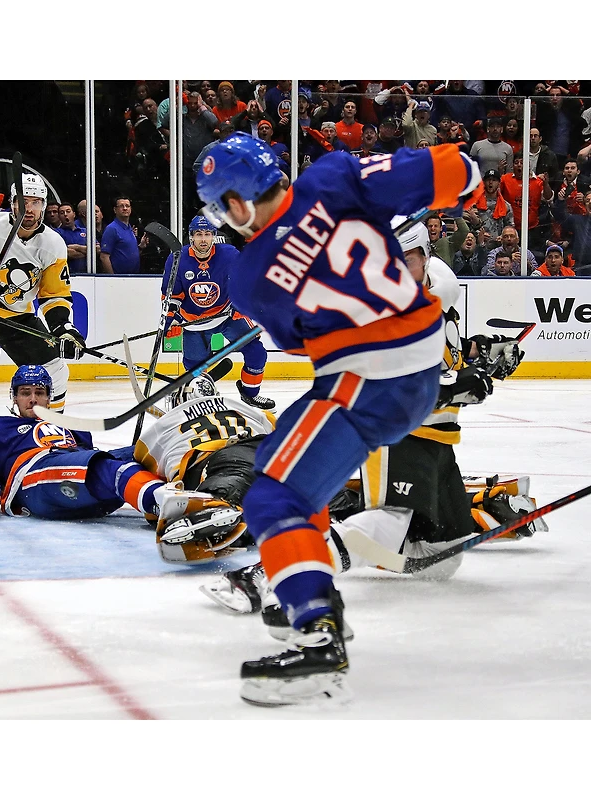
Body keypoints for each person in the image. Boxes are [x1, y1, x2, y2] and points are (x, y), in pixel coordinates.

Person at [195, 134, 479, 706]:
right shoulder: (334, 177)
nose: (224, 221)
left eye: (222, 206)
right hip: (421, 366)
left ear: (240, 201)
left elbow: (300, 342)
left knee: (274, 497)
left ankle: (317, 634)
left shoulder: (251, 276)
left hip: (366, 380)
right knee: (294, 467)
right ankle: (308, 581)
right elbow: (461, 172)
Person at [201, 221, 535, 624]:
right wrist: (455, 387)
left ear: (427, 255)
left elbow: (444, 350)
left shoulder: (441, 284)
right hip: (391, 430)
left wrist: (480, 356)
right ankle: (269, 574)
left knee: (439, 560)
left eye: (409, 259)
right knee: (391, 519)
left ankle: (342, 540)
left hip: (437, 434)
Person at [0, 365, 189, 524]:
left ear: (48, 397)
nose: (33, 399)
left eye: (39, 392)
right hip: (34, 477)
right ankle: (174, 506)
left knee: (149, 450)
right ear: (14, 397)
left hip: (77, 480)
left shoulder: (70, 427)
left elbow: (88, 454)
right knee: (102, 468)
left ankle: (206, 485)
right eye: (25, 392)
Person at [131, 371, 275, 564]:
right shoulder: (250, 410)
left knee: (232, 475)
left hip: (202, 472)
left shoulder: (158, 430)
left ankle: (217, 508)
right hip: (255, 456)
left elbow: (148, 470)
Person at [0, 173, 85, 412]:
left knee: (55, 371)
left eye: (35, 202)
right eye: (23, 202)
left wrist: (63, 328)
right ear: (12, 203)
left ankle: (49, 433)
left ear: (44, 206)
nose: (29, 208)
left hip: (16, 318)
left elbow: (54, 294)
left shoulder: (52, 243)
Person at [162, 215, 275, 410]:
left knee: (256, 353)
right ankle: (199, 399)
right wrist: (171, 320)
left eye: (207, 234)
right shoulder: (177, 259)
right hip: (193, 322)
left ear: (214, 236)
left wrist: (242, 307)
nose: (203, 239)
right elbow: (173, 296)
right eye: (198, 234)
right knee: (194, 371)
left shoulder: (229, 254)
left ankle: (250, 394)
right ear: (191, 237)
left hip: (226, 315)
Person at [499, 152, 554, 255]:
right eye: (516, 162)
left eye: (522, 162)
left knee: (531, 256)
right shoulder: (505, 179)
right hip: (511, 229)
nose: (519, 165)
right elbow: (496, 195)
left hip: (532, 229)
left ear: (528, 165)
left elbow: (549, 198)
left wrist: (546, 184)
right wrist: (499, 174)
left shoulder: (537, 181)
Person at [463, 169, 513, 250]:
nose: (491, 182)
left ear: (499, 183)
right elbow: (466, 227)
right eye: (488, 180)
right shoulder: (473, 203)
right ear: (483, 182)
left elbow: (510, 228)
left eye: (494, 180)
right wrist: (479, 234)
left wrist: (503, 237)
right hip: (476, 247)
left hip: (499, 249)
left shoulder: (506, 206)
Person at [99, 196, 146, 274]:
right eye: (121, 206)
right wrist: (112, 278)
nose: (125, 208)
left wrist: (140, 247)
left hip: (134, 278)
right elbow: (104, 257)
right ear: (115, 210)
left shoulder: (130, 228)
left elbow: (128, 253)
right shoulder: (112, 229)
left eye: (127, 206)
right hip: (119, 279)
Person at [55, 201, 90, 274]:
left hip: (88, 274)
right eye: (62, 213)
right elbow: (66, 253)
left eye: (68, 211)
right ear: (59, 217)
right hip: (67, 276)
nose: (65, 214)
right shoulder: (56, 233)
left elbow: (97, 249)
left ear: (74, 214)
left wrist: (77, 247)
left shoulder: (85, 231)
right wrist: (88, 252)